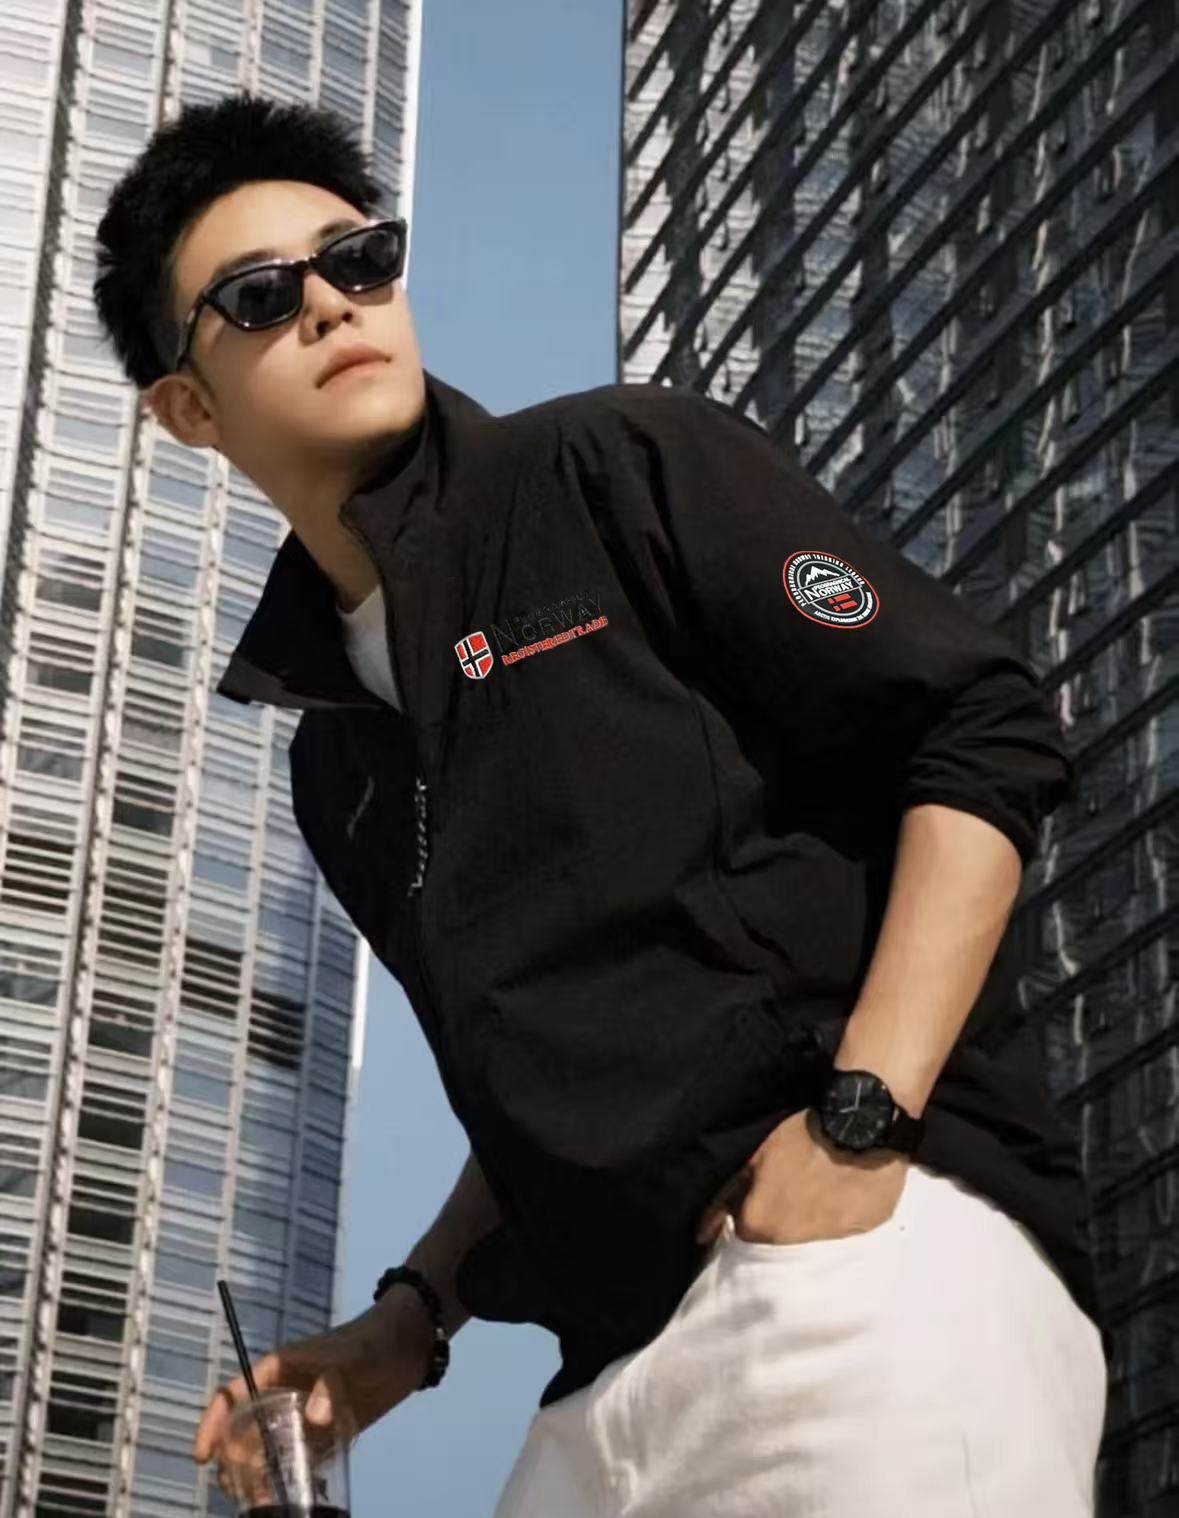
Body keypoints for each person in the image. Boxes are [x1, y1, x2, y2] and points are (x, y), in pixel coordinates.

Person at [94, 90, 1110, 1516]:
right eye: (261, 295)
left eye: (360, 258)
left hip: (859, 1272)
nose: (331, 303)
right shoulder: (334, 763)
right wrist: (406, 1324)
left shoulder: (620, 466)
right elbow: (534, 1092)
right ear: (189, 408)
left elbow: (978, 725)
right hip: (604, 1387)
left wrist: (861, 1118)